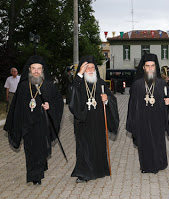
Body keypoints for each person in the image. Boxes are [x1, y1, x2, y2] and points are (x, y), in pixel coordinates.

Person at [4, 56, 64, 185]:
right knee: (29, 150)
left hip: (42, 124)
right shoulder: (24, 86)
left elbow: (58, 102)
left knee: (41, 150)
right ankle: (34, 176)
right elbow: (17, 106)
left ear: (42, 70)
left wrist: (50, 106)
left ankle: (39, 169)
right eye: (33, 68)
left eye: (39, 69)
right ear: (29, 70)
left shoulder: (48, 85)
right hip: (28, 124)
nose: (36, 71)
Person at [69, 55, 119, 183]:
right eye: (87, 68)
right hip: (83, 120)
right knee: (84, 147)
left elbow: (112, 99)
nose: (90, 70)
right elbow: (71, 96)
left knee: (97, 145)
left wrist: (106, 100)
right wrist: (79, 73)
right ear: (82, 69)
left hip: (98, 121)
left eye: (92, 68)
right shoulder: (78, 83)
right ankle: (83, 173)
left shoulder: (101, 83)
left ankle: (98, 170)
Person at [126, 53, 169, 174]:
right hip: (142, 120)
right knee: (144, 144)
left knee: (158, 142)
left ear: (156, 67)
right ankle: (146, 166)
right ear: (143, 68)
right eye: (147, 66)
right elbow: (132, 105)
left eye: (152, 66)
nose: (150, 68)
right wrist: (133, 122)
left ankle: (160, 163)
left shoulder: (161, 83)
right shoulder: (137, 84)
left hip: (158, 119)